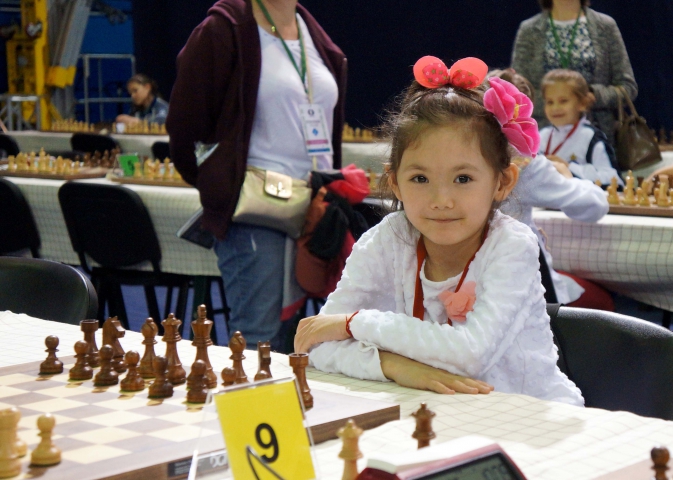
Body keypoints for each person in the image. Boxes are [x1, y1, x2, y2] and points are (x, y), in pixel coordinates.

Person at [294, 55, 584, 406]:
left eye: (463, 178)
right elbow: (315, 344)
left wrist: (355, 323)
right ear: (394, 182)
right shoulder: (387, 239)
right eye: (420, 178)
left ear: (502, 182)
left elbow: (470, 354)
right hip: (439, 411)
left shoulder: (511, 245)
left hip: (530, 414)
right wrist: (395, 366)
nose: (441, 200)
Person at [166, 0, 347, 346]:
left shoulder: (311, 33)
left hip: (314, 208)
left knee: (301, 338)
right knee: (258, 338)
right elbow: (185, 127)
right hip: (255, 210)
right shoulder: (224, 29)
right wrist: (220, 185)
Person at [491, 69, 613, 309]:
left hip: (462, 278)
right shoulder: (522, 165)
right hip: (518, 283)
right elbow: (595, 205)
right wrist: (568, 176)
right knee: (603, 301)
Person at [511, 0, 637, 146]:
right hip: (544, 141)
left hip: (598, 139)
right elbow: (518, 93)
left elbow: (627, 88)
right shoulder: (529, 30)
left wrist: (591, 96)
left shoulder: (605, 26)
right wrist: (556, 101)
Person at [540, 69, 622, 186]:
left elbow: (613, 179)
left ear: (582, 103)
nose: (555, 108)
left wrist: (569, 167)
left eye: (563, 101)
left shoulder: (591, 137)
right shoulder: (541, 136)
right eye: (550, 102)